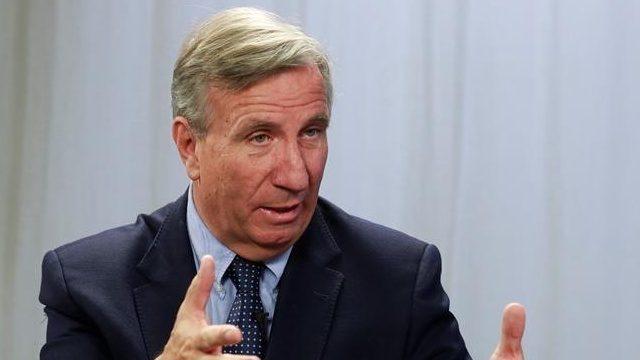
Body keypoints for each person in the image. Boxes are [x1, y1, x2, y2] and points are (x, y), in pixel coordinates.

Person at [39, 7, 525, 360]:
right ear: (190, 146)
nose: (296, 175)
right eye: (260, 137)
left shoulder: (398, 281)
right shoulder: (89, 285)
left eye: (311, 132)